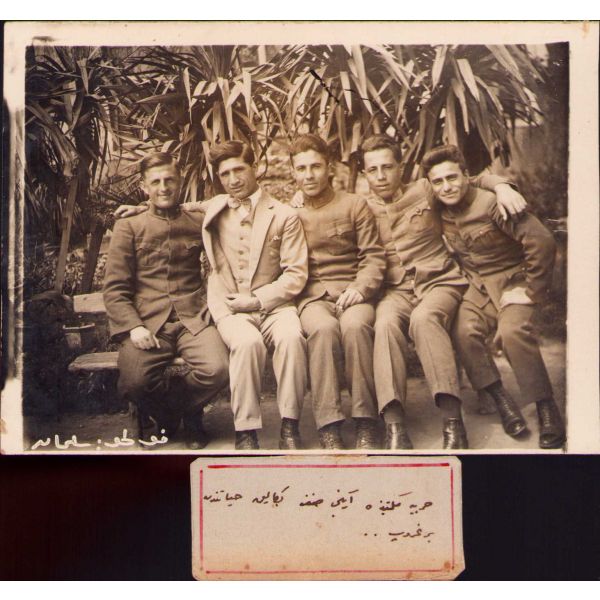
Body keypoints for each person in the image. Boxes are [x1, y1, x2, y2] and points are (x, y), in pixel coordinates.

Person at [360, 134, 529, 450]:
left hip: (439, 282)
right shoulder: (361, 207)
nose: (380, 176)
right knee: (384, 325)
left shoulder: (425, 190)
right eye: (373, 170)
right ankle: (395, 425)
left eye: (387, 167)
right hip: (395, 291)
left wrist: (502, 186)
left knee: (424, 319)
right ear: (364, 174)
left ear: (401, 168)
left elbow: (471, 180)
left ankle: (453, 422)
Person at [421, 144, 565, 449]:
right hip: (478, 286)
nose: (446, 187)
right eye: (438, 181)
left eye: (452, 177)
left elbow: (541, 241)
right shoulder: (439, 207)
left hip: (514, 282)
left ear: (465, 175)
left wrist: (531, 292)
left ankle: (546, 407)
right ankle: (500, 398)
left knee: (513, 332)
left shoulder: (491, 203)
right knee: (463, 330)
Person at [103, 152, 229, 449]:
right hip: (148, 322)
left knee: (219, 369)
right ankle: (185, 414)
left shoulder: (198, 221)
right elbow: (115, 288)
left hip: (192, 319)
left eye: (169, 180)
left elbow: (232, 204)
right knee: (134, 382)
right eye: (156, 182)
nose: (163, 187)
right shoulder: (129, 226)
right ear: (144, 187)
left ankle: (175, 415)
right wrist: (133, 327)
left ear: (180, 181)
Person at [200, 141, 309, 450]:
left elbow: (296, 273)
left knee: (292, 338)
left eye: (239, 170)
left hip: (274, 305)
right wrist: (139, 208)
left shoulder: (284, 214)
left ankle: (290, 425)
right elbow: (177, 208)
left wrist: (259, 300)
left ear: (255, 168)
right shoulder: (216, 207)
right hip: (230, 304)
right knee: (248, 343)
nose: (233, 180)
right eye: (225, 174)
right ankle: (246, 431)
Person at [290, 134, 386, 450]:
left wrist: (360, 288)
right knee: (323, 330)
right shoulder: (289, 214)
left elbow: (373, 256)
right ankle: (328, 424)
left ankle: (366, 421)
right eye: (301, 168)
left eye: (315, 166)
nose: (309, 175)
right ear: (293, 172)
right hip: (313, 296)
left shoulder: (354, 205)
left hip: (353, 291)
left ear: (329, 168)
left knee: (356, 327)